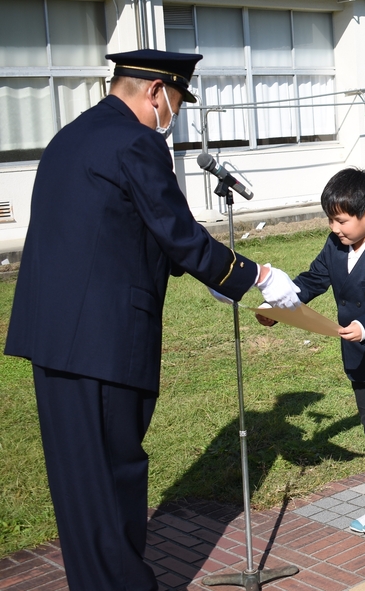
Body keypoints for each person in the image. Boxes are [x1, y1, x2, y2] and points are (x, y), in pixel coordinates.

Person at [3, 49, 302, 591]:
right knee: (114, 479)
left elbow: (117, 227)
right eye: (178, 103)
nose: (175, 115)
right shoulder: (136, 142)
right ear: (156, 92)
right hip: (103, 342)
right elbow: (175, 229)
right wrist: (253, 275)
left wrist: (209, 276)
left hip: (53, 338)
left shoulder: (70, 136)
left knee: (80, 487)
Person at [256, 168, 365, 538]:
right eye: (330, 220)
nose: (335, 228)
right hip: (360, 363)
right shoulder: (335, 246)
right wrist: (278, 308)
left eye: (341, 220)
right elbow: (311, 280)